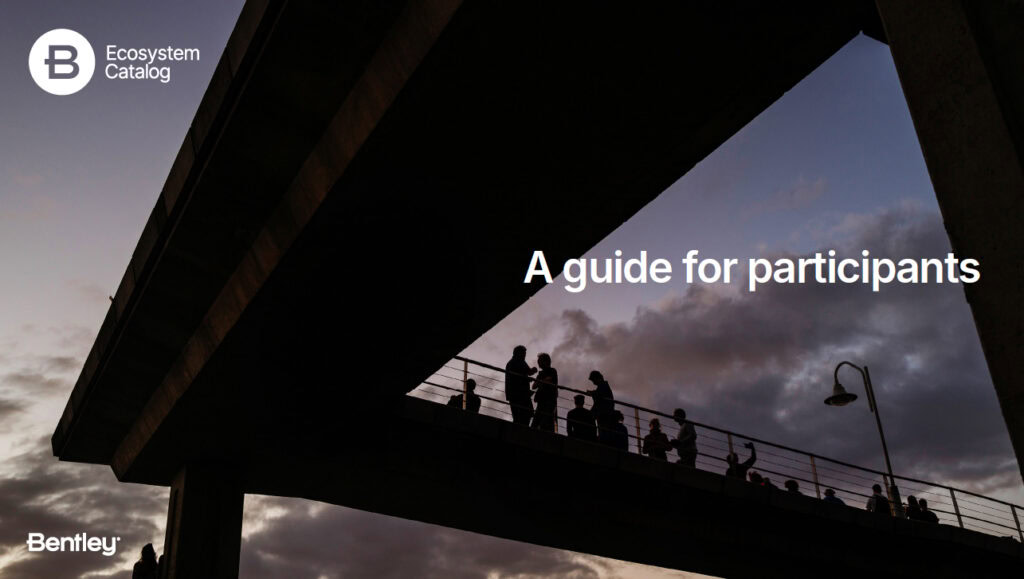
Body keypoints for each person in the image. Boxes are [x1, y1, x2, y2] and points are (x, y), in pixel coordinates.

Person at [505, 346, 536, 425]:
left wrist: (529, 375)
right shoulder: (516, 362)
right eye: (523, 353)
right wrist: (530, 375)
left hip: (517, 394)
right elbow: (522, 375)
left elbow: (524, 374)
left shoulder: (516, 362)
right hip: (519, 395)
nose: (525, 355)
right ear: (519, 353)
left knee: (520, 416)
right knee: (523, 415)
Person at [530, 353, 558, 432]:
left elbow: (548, 380)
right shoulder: (541, 373)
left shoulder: (552, 371)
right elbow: (534, 386)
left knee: (545, 422)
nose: (538, 363)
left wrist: (540, 382)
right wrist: (542, 381)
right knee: (537, 422)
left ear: (545, 361)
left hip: (549, 400)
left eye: (540, 361)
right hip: (542, 401)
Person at [586, 370, 616, 437]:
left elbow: (599, 395)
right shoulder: (603, 386)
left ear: (597, 378)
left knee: (603, 430)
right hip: (604, 413)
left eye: (593, 380)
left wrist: (592, 393)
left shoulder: (603, 386)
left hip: (604, 413)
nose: (593, 382)